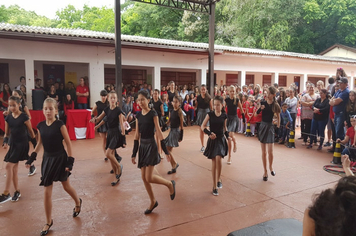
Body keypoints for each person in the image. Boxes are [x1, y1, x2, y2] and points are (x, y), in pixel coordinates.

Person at [27, 98, 81, 236]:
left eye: (51, 108)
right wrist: (32, 157)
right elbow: (39, 144)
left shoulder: (60, 125)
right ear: (43, 110)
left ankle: (77, 202)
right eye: (46, 108)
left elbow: (68, 143)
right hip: (47, 160)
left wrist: (70, 161)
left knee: (66, 186)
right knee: (46, 191)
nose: (48, 111)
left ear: (56, 110)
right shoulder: (40, 126)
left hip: (60, 159)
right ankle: (48, 221)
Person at [131, 90, 176, 214]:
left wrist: (166, 151)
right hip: (142, 147)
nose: (140, 102)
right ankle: (152, 201)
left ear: (148, 100)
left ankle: (169, 184)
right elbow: (136, 135)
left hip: (151, 146)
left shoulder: (153, 114)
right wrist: (134, 153)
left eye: (142, 99)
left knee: (149, 177)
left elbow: (159, 132)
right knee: (144, 178)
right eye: (138, 100)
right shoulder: (138, 115)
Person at [0, 96, 36, 204]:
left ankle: (6, 193)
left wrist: (35, 144)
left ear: (19, 104)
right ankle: (16, 191)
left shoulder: (24, 117)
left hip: (22, 144)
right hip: (13, 145)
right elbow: (7, 133)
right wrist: (5, 142)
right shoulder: (8, 118)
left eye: (14, 105)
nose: (11, 107)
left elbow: (31, 131)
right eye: (10, 105)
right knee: (14, 169)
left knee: (8, 166)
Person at [92, 91, 125, 186]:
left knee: (108, 153)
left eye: (115, 98)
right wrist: (95, 121)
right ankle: (116, 176)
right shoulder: (107, 109)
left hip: (116, 133)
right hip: (109, 133)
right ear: (108, 99)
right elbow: (100, 118)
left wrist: (123, 137)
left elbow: (122, 124)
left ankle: (119, 166)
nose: (113, 99)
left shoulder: (118, 110)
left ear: (116, 100)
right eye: (111, 98)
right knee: (112, 156)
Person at [201, 96, 229, 196]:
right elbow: (202, 126)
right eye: (214, 105)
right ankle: (214, 186)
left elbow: (225, 129)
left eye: (218, 105)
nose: (216, 106)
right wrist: (209, 133)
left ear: (222, 105)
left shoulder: (224, 116)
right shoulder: (210, 114)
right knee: (214, 162)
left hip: (221, 139)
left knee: (219, 158)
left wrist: (228, 137)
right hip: (213, 140)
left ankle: (219, 178)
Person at [256, 86, 281, 181]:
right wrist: (260, 109)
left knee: (271, 151)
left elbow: (278, 116)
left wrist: (278, 125)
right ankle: (265, 171)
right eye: (266, 93)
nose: (267, 94)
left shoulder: (275, 105)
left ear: (273, 95)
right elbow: (255, 114)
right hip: (263, 126)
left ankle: (271, 167)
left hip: (270, 126)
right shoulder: (262, 103)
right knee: (264, 152)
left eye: (269, 93)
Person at [329, 77, 350, 163]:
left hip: (341, 114)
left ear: (345, 84)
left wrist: (333, 101)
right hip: (336, 114)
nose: (339, 84)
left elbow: (336, 102)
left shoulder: (346, 92)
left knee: (339, 133)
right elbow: (331, 100)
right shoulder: (339, 91)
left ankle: (340, 152)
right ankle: (338, 151)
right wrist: (333, 101)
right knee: (337, 132)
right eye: (339, 83)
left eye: (341, 83)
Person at [164, 95, 184, 174]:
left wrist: (181, 136)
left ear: (179, 103)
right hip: (171, 131)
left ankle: (175, 164)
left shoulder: (180, 112)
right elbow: (169, 121)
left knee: (167, 149)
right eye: (174, 102)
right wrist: (164, 125)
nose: (175, 103)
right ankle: (173, 166)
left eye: (176, 102)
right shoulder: (171, 111)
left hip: (176, 132)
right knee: (169, 150)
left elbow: (182, 126)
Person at [225, 86, 244, 164]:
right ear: (228, 92)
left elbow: (241, 109)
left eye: (233, 91)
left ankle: (234, 145)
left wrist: (244, 119)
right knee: (229, 137)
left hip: (234, 118)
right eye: (231, 91)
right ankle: (229, 155)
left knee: (230, 135)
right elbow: (223, 108)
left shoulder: (237, 100)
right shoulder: (226, 100)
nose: (232, 92)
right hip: (228, 118)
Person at [91, 90, 109, 161]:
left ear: (106, 96)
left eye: (105, 96)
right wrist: (93, 118)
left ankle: (109, 152)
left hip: (108, 122)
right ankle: (106, 154)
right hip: (100, 122)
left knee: (108, 138)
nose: (103, 97)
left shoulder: (109, 103)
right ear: (100, 96)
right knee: (104, 139)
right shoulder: (97, 103)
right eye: (102, 96)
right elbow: (92, 111)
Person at [195, 85, 212, 153]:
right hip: (200, 113)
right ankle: (202, 146)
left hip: (207, 113)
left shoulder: (209, 97)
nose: (203, 91)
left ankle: (210, 145)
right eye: (202, 89)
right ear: (200, 90)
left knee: (206, 130)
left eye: (204, 89)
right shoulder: (198, 97)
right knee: (201, 131)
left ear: (206, 90)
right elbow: (196, 106)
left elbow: (211, 108)